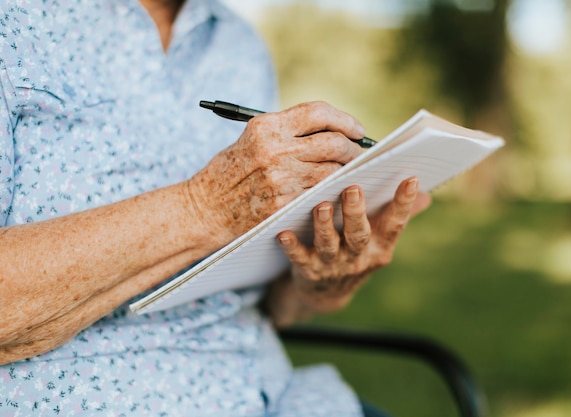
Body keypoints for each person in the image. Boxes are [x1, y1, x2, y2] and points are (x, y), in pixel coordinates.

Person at [0, 0, 431, 415]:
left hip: (273, 394)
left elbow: (268, 308)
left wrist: (320, 283)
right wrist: (206, 208)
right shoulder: (17, 22)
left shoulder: (239, 43)